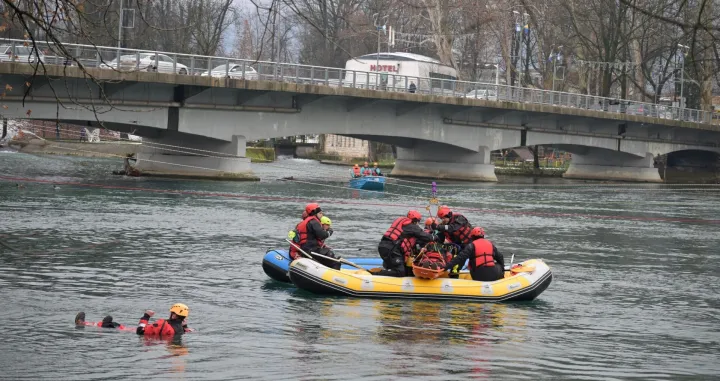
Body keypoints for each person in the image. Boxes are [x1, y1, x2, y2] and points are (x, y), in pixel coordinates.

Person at [74, 303, 193, 337]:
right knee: (112, 324)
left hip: (129, 332)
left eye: (171, 312)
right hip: (151, 335)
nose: (170, 314)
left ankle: (82, 323)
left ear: (174, 316)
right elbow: (188, 331)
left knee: (111, 325)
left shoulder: (164, 324)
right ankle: (99, 323)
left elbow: (140, 331)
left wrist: (146, 316)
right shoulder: (181, 330)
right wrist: (184, 327)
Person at [376, 210, 436, 277]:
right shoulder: (412, 226)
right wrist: (434, 237)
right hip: (392, 249)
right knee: (401, 272)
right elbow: (425, 236)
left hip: (384, 246)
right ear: (415, 220)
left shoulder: (403, 223)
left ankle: (386, 272)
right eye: (417, 221)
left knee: (397, 267)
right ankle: (375, 275)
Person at [295, 203, 341, 269]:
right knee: (335, 260)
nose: (322, 215)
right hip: (312, 250)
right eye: (320, 213)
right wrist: (330, 231)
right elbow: (322, 235)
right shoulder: (313, 221)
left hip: (305, 249)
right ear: (314, 213)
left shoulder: (304, 223)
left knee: (326, 252)